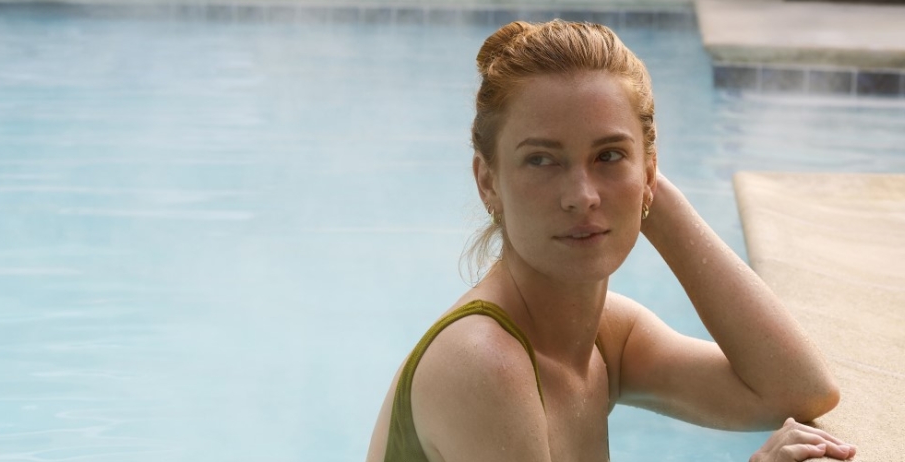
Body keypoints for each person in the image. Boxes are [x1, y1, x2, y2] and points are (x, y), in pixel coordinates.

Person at [364, 20, 858, 462]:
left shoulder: (605, 336)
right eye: (541, 159)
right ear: (488, 182)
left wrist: (650, 195)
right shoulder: (482, 362)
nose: (582, 196)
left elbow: (798, 390)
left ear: (650, 171)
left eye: (608, 156)